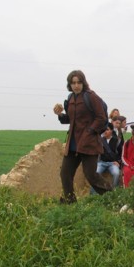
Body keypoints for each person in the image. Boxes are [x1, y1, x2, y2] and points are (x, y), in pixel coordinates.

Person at [53, 70, 111, 203]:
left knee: (91, 175)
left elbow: (101, 117)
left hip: (88, 143)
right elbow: (70, 119)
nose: (76, 85)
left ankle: (112, 197)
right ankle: (70, 203)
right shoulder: (70, 98)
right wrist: (60, 114)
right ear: (69, 84)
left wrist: (89, 131)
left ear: (83, 82)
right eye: (73, 83)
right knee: (65, 174)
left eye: (79, 82)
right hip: (73, 143)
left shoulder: (91, 96)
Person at [96, 123, 121, 189]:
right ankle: (94, 194)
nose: (105, 131)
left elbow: (120, 153)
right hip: (101, 162)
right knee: (96, 173)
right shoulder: (100, 140)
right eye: (104, 130)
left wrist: (118, 161)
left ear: (111, 131)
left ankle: (113, 191)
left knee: (116, 173)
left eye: (107, 130)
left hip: (112, 163)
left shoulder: (117, 141)